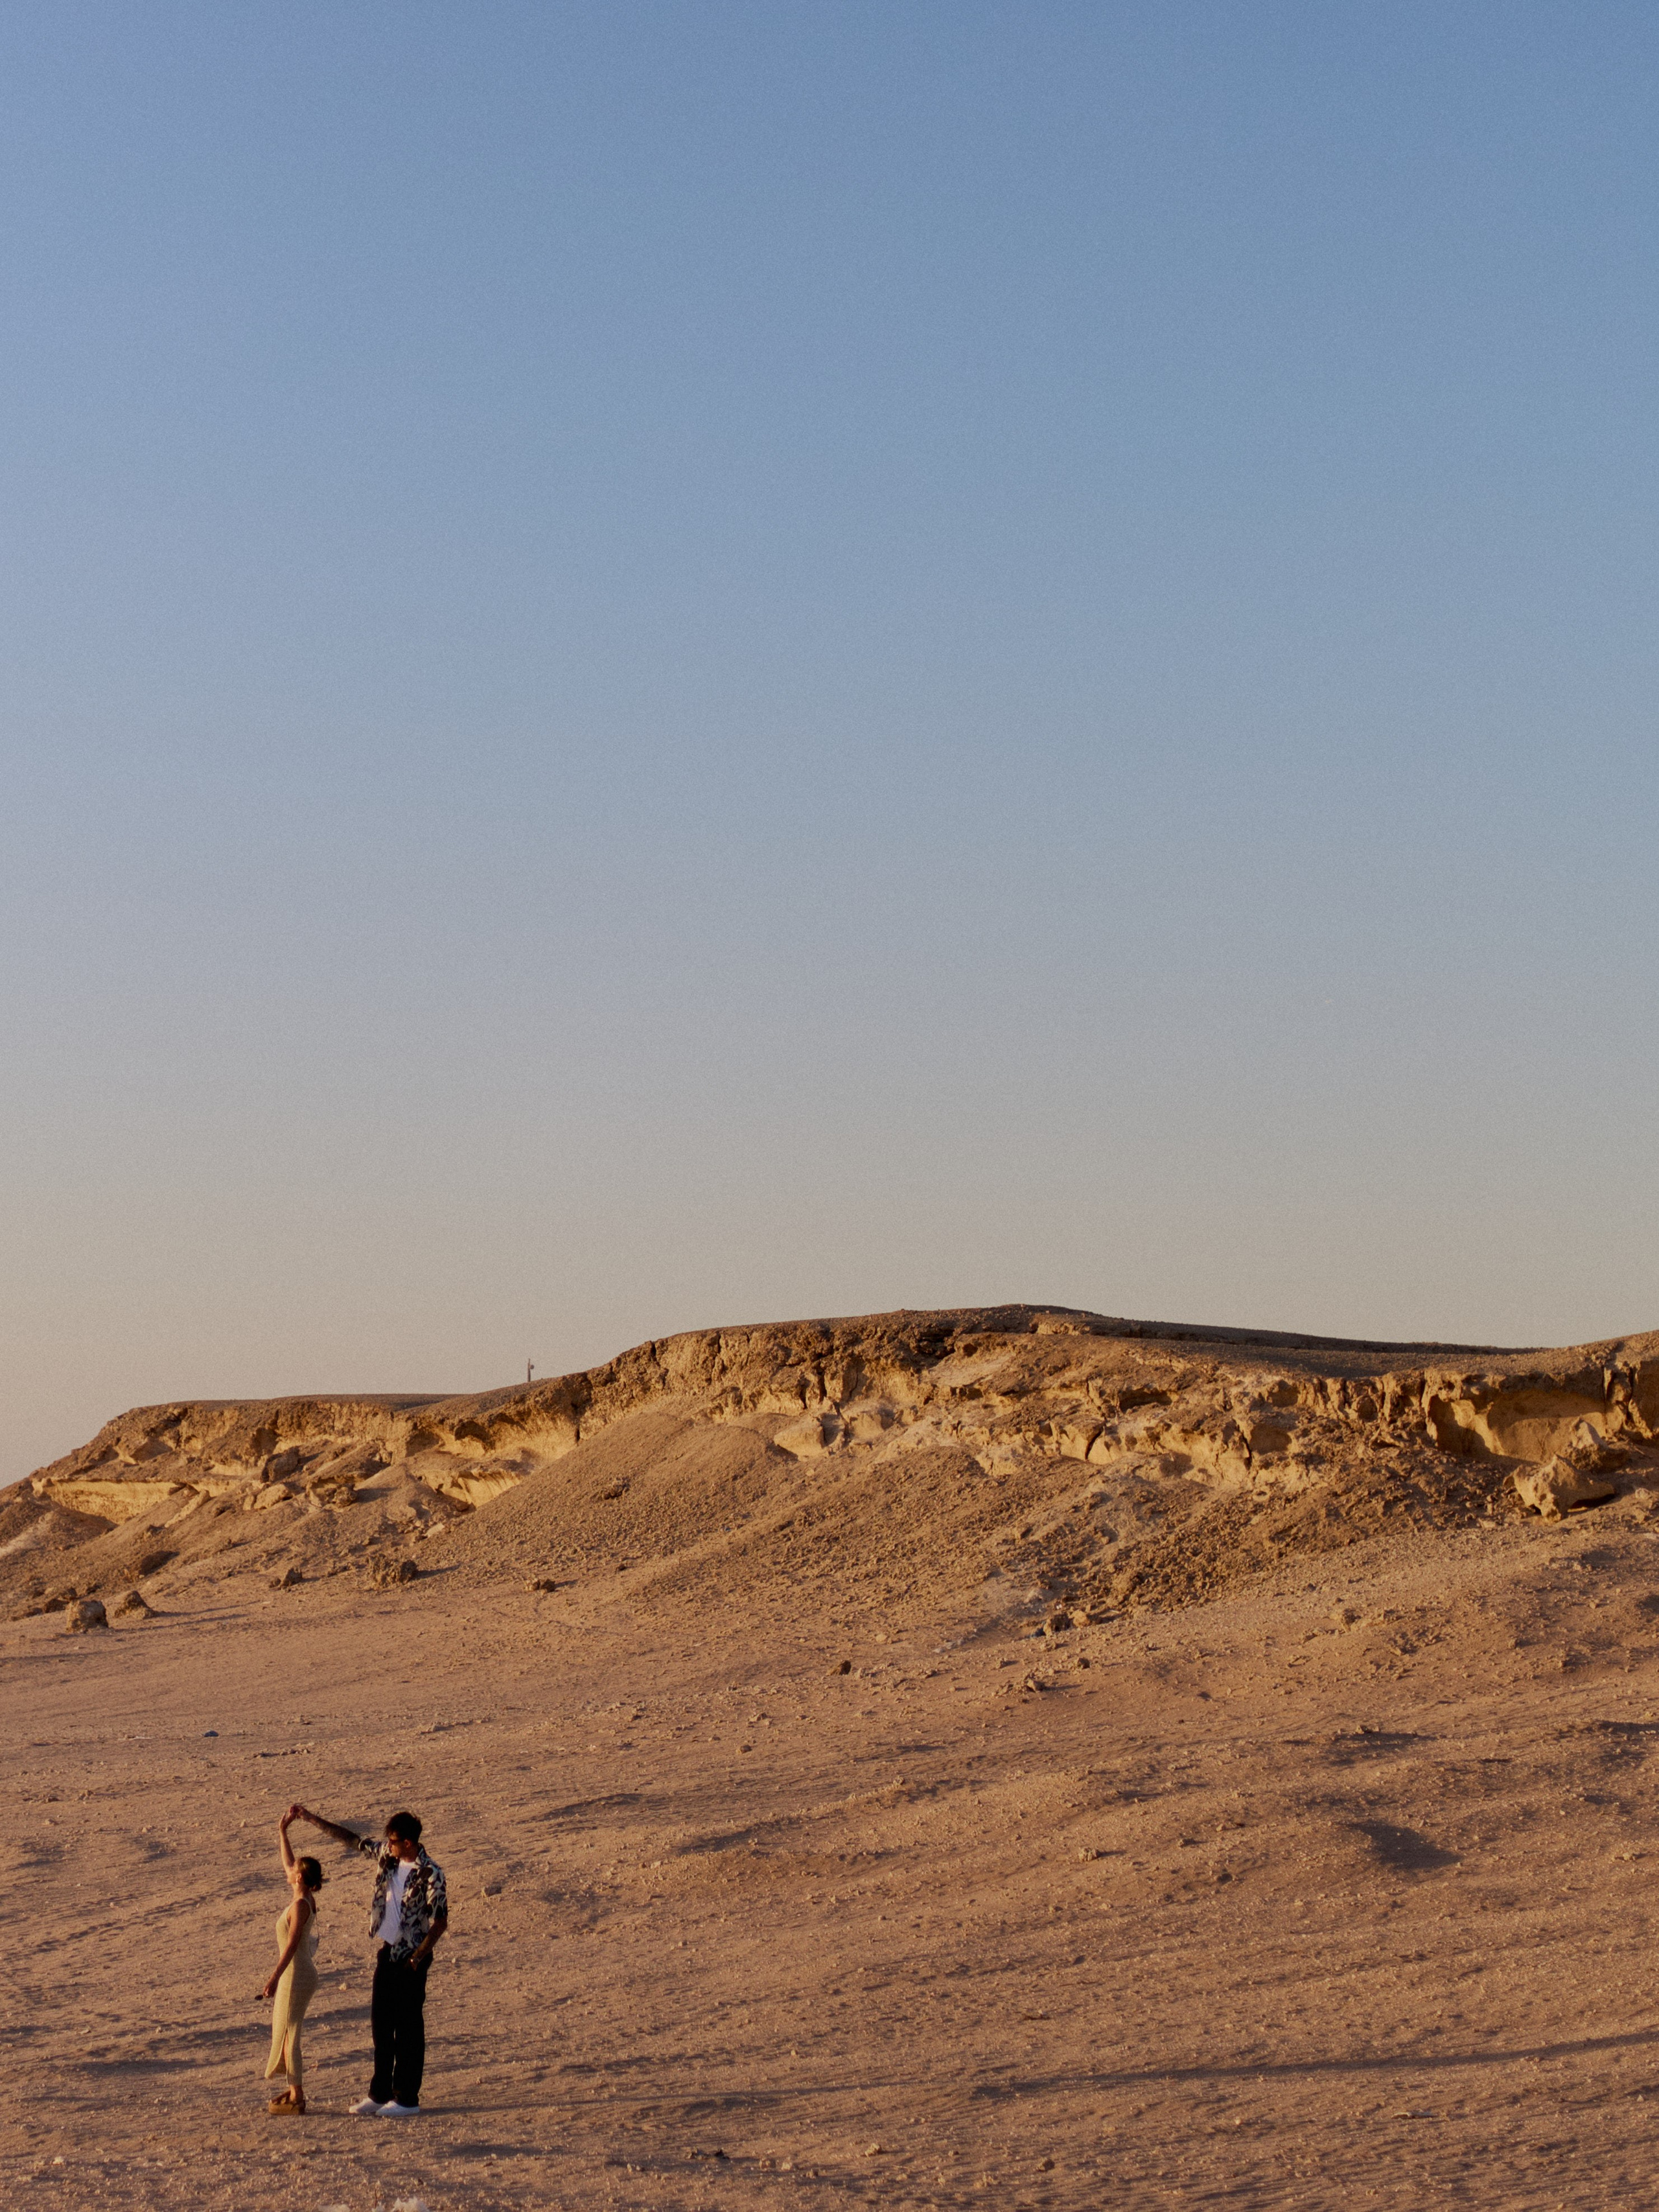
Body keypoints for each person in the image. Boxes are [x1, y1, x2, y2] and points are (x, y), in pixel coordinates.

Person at [287, 1801, 448, 2117]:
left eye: (394, 1840)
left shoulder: (432, 1873)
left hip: (411, 1958)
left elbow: (440, 1922)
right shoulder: (388, 1858)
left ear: (409, 1843)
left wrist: (418, 1957)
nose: (388, 1844)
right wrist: (310, 1818)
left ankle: (407, 2099)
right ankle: (380, 2093)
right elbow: (351, 1840)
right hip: (388, 1951)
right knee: (381, 2025)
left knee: (409, 2030)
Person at [261, 1809, 323, 2115]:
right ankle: (294, 2088)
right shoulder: (304, 1895)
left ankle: (298, 2094)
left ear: (300, 1878)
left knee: (291, 2033)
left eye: (293, 1871)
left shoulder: (301, 1905)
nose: (288, 1871)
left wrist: (274, 1977)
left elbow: (293, 1944)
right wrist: (283, 1831)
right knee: (287, 2032)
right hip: (297, 1973)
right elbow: (289, 1862)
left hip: (296, 1974)